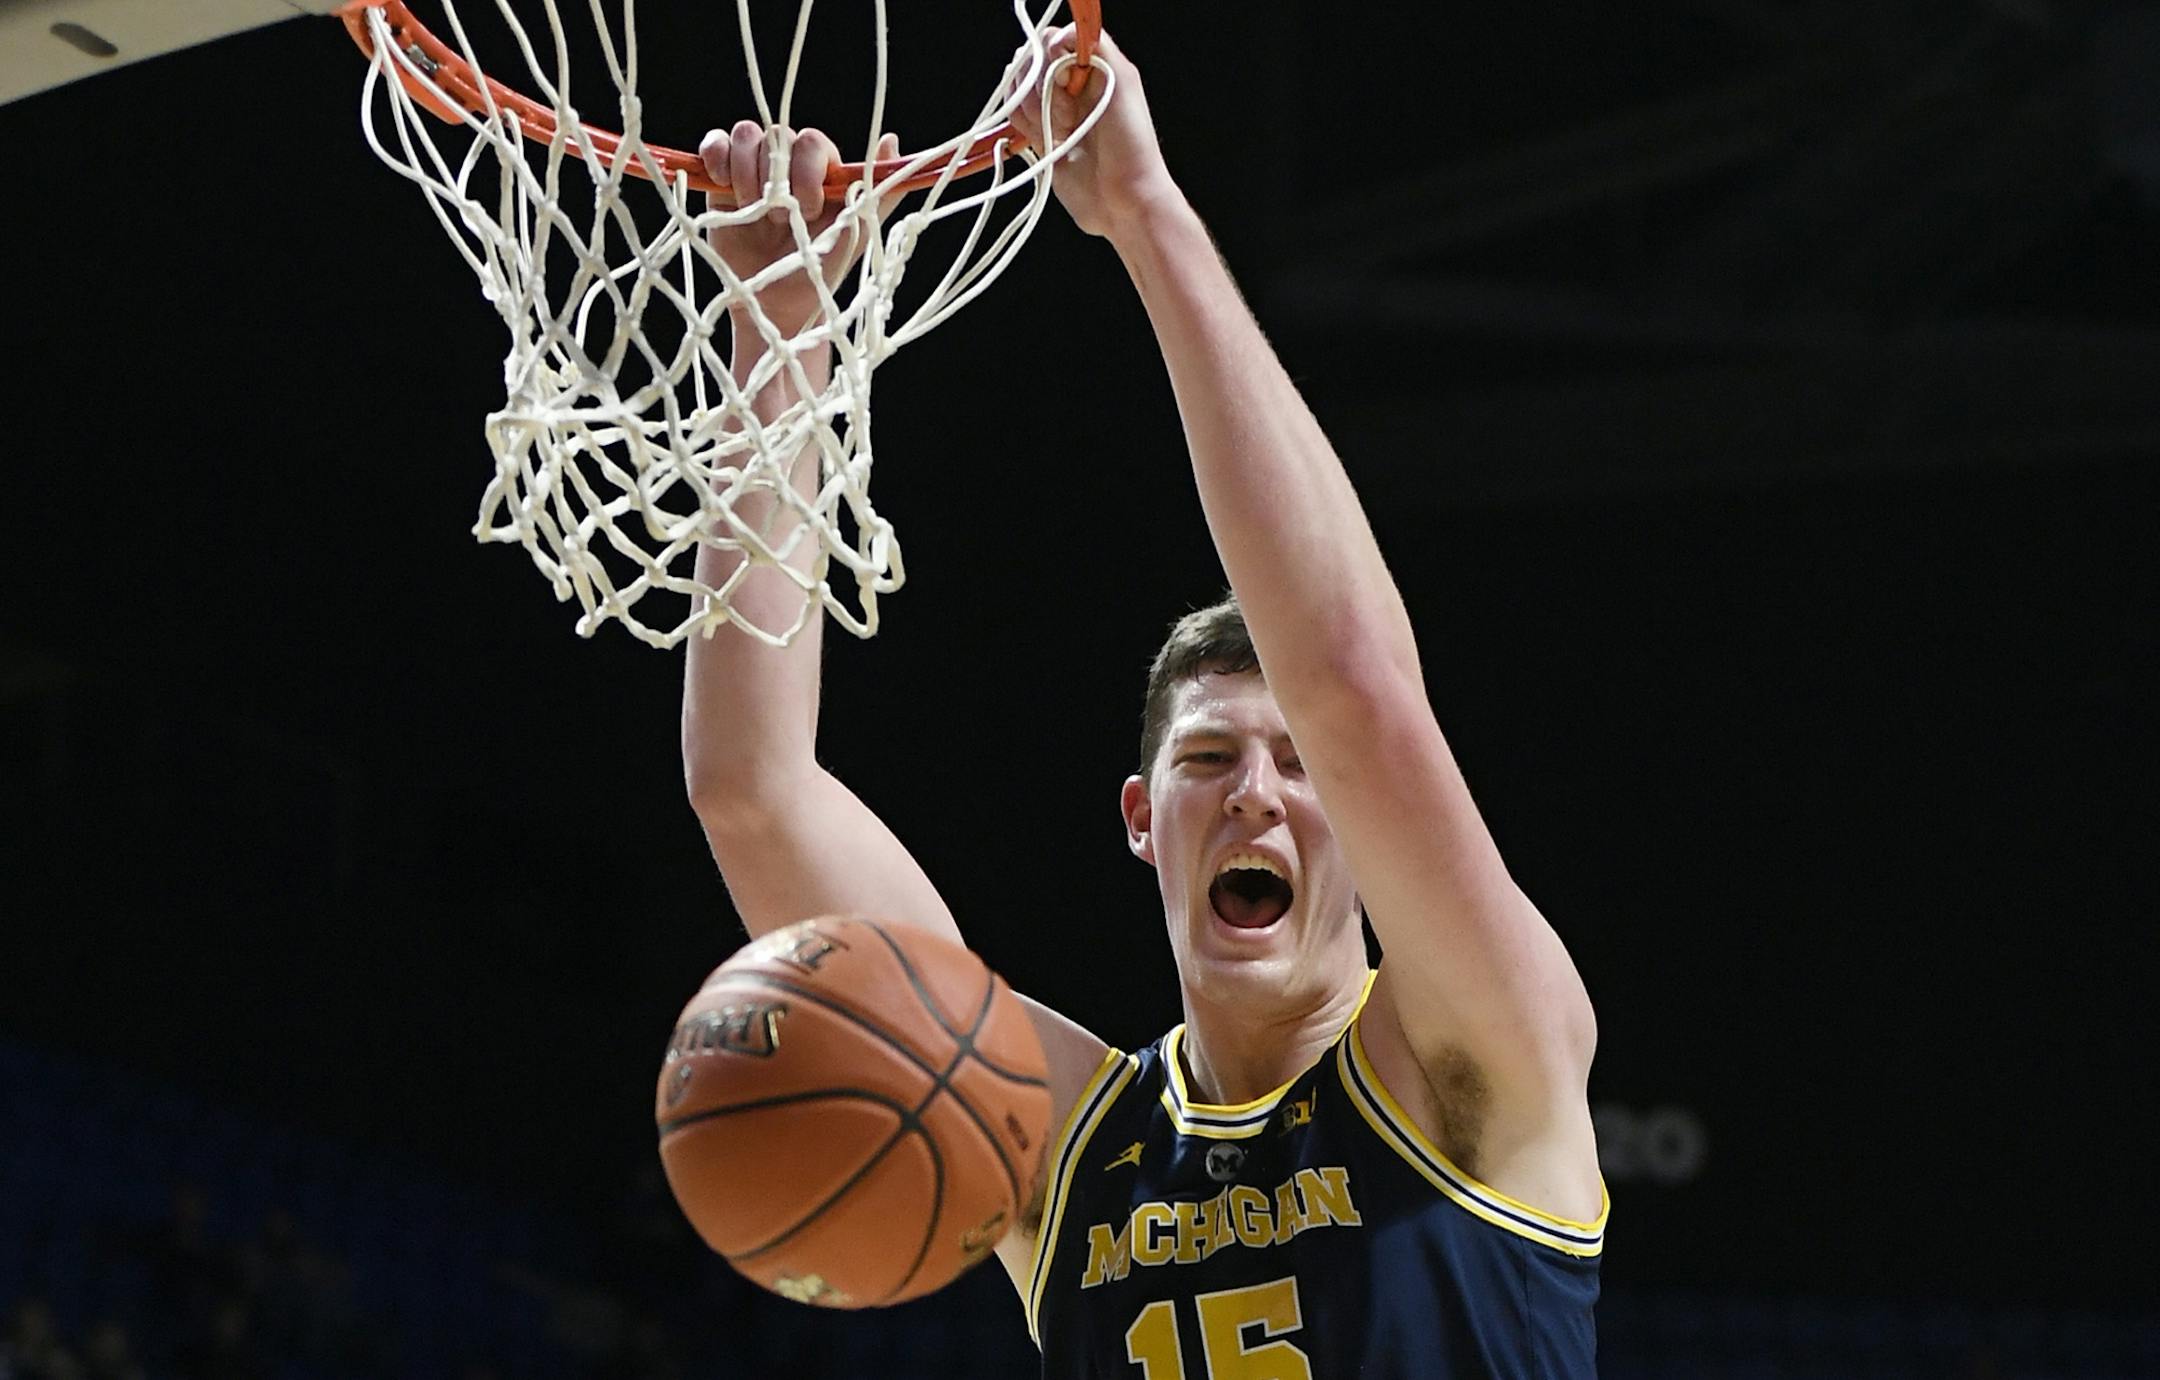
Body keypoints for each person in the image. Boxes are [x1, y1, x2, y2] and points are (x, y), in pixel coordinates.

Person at [682, 25, 1605, 1379]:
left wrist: (1142, 214)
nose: (1258, 791)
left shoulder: (1474, 1053)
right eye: (1212, 756)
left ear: (1353, 813)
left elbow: (1354, 688)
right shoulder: (1068, 1146)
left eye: (1301, 768)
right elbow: (753, 792)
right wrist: (778, 342)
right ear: (1140, 815)